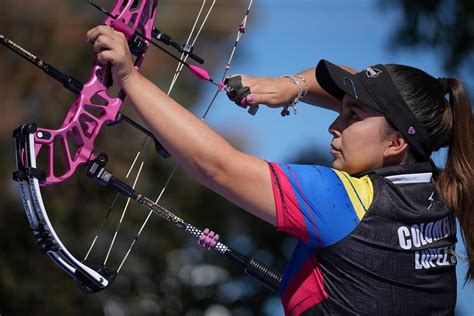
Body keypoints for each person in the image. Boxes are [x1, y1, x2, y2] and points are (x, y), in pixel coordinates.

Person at [86, 25, 474, 315]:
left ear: (395, 144)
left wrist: (130, 79)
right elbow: (391, 106)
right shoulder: (434, 193)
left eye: (351, 116)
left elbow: (218, 167)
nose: (333, 125)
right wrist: (291, 87)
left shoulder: (348, 201)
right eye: (340, 111)